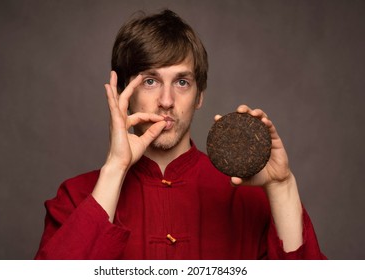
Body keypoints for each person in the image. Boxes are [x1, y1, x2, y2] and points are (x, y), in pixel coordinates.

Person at [35, 9, 325, 260]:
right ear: (125, 93)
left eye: (182, 82)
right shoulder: (75, 198)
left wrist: (282, 187)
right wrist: (115, 169)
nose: (166, 100)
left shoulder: (250, 200)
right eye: (150, 81)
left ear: (199, 96)